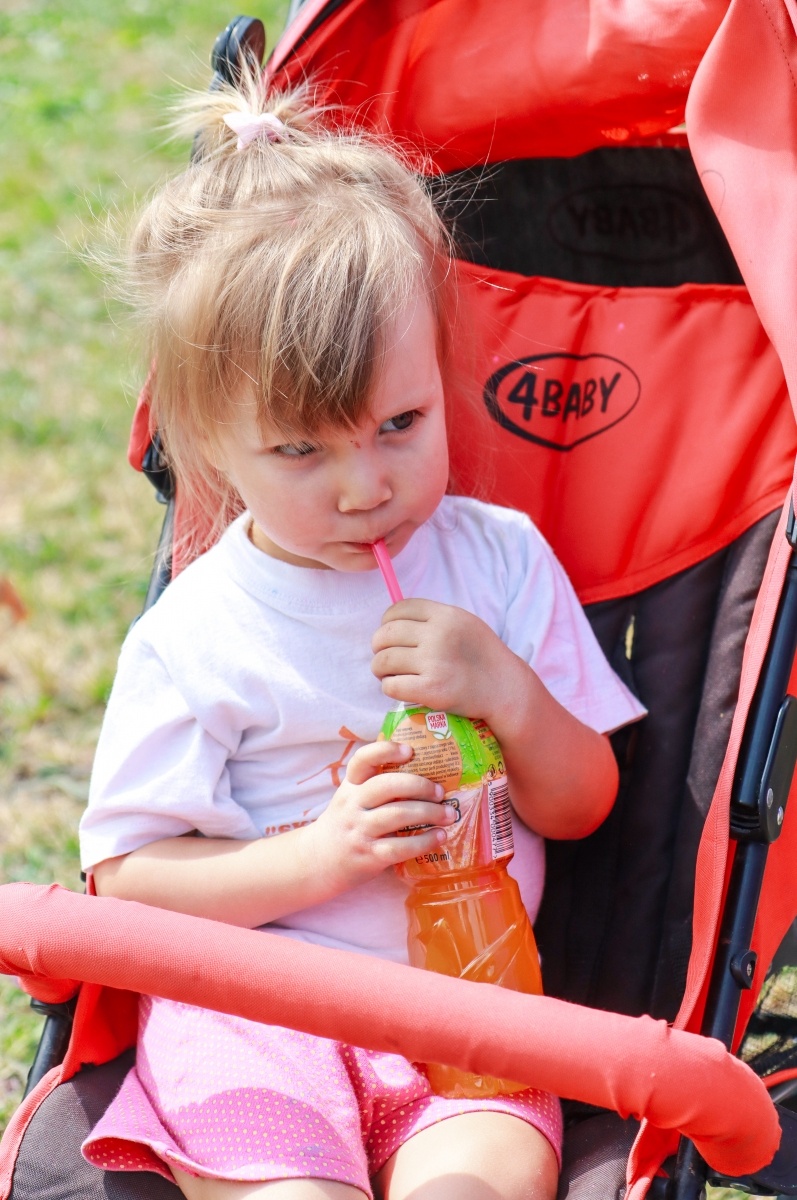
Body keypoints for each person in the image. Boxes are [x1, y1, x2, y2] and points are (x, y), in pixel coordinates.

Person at [78, 72, 646, 1200]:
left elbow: (582, 803)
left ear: (442, 378)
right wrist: (318, 857)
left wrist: (505, 689)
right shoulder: (200, 633)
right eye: (302, 452)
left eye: (401, 425)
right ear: (210, 451)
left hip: (469, 1012)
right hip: (254, 1018)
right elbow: (125, 887)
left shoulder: (497, 561)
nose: (364, 488)